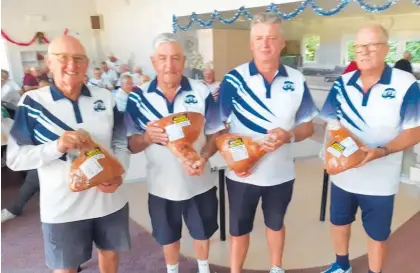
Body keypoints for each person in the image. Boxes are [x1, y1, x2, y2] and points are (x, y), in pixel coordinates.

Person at [6, 35, 131, 273]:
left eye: (78, 58)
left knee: (110, 256)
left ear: (86, 64)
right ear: (49, 64)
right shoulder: (31, 103)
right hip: (62, 208)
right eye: (62, 58)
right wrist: (57, 147)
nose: (71, 65)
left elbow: (120, 143)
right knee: (65, 268)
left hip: (110, 201)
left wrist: (119, 174)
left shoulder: (105, 97)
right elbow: (15, 158)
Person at [218, 13, 318, 273]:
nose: (265, 44)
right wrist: (238, 158)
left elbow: (308, 126)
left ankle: (277, 267)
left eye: (272, 38)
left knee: (276, 224)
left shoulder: (296, 80)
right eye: (259, 38)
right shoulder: (233, 80)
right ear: (251, 44)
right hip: (242, 175)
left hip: (281, 174)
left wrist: (289, 136)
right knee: (239, 229)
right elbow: (218, 129)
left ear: (282, 42)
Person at [320, 25, 420, 273]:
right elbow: (331, 123)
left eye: (371, 45)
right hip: (344, 175)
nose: (363, 51)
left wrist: (382, 150)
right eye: (359, 46)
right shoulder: (342, 83)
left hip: (380, 180)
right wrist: (327, 154)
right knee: (339, 223)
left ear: (386, 49)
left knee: (376, 234)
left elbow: (415, 130)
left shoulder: (405, 83)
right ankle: (341, 266)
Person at [125, 33, 224, 273]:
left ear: (184, 61)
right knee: (168, 235)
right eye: (163, 58)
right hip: (161, 185)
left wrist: (204, 157)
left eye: (175, 58)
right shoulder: (138, 98)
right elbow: (130, 144)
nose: (169, 65)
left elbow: (216, 134)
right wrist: (147, 138)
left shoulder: (201, 92)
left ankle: (203, 268)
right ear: (154, 61)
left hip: (199, 182)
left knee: (203, 230)